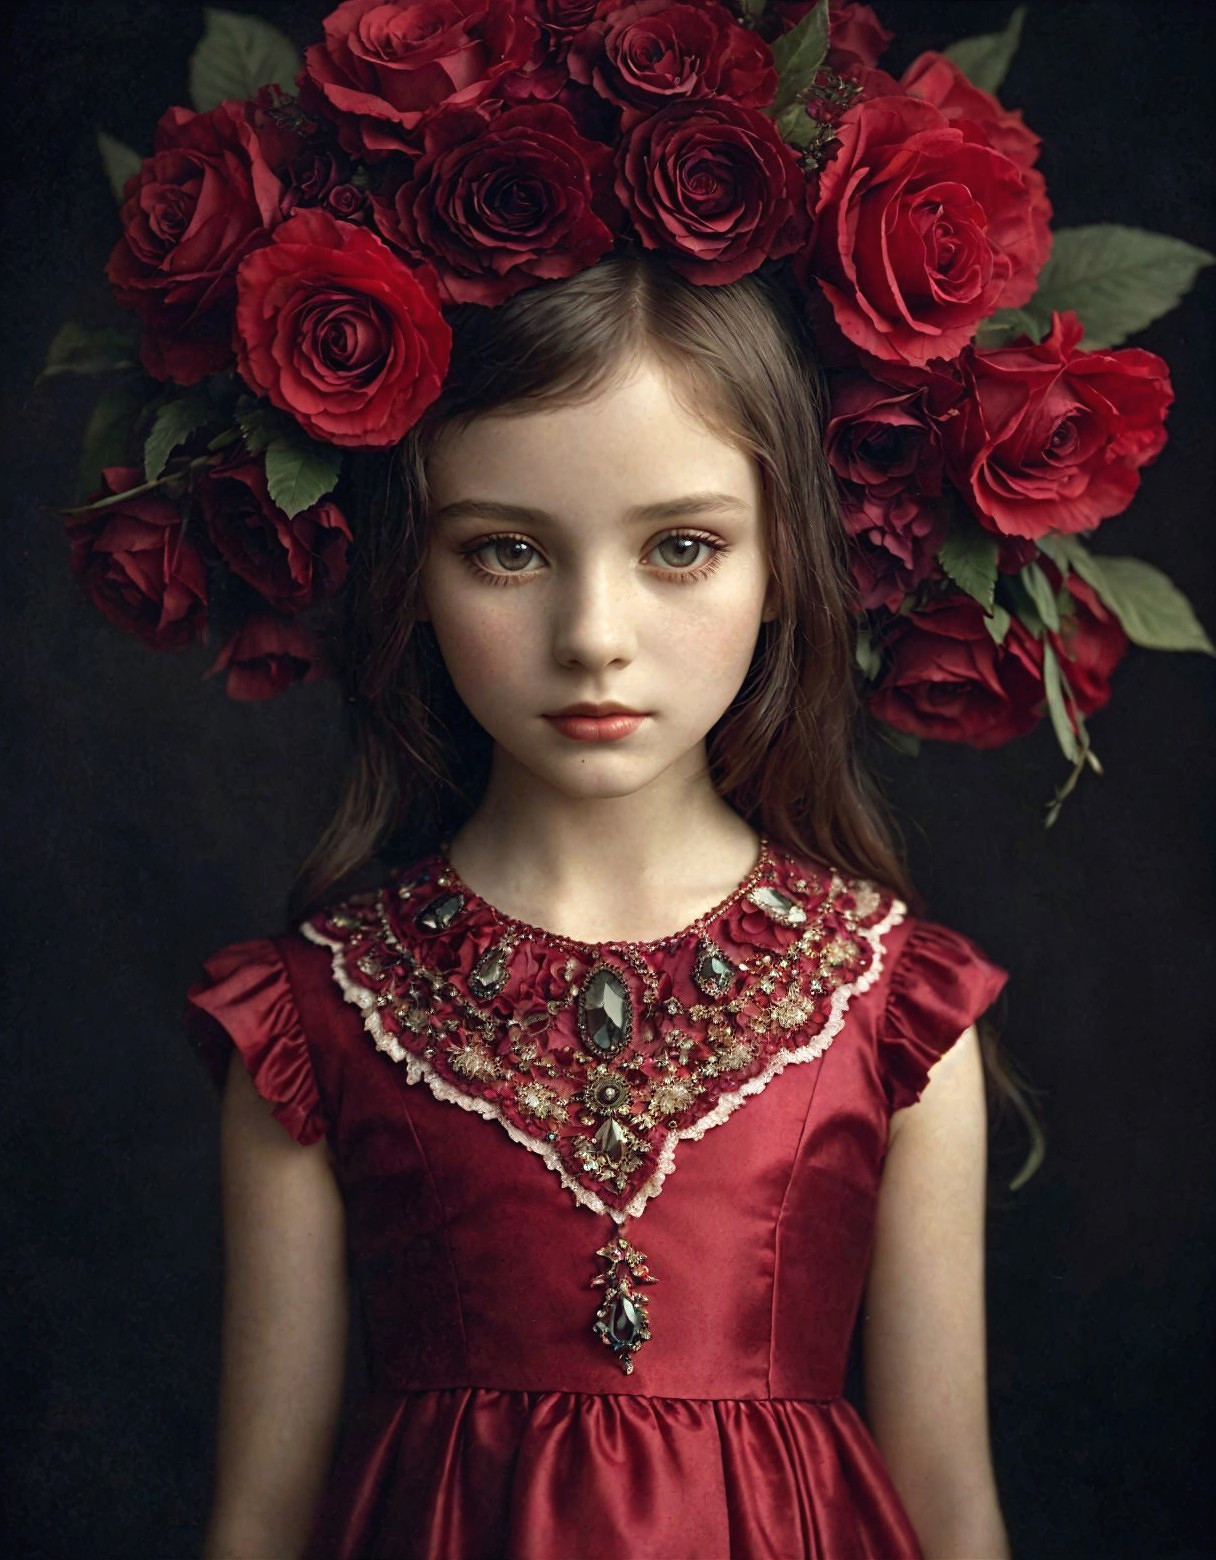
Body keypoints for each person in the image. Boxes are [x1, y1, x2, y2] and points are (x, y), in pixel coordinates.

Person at [185, 252, 1017, 1560]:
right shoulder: (312, 1020)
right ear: (414, 569)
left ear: (784, 559)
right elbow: (258, 1523)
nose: (593, 633)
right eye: (507, 551)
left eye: (681, 547)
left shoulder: (893, 1007)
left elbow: (953, 1509)